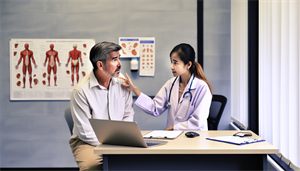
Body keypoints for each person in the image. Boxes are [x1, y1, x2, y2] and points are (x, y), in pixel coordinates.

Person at [69, 42, 134, 171]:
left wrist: (121, 141)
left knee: (138, 162)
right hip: (88, 142)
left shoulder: (123, 83)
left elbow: (128, 115)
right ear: (100, 65)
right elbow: (86, 133)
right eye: (114, 59)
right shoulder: (81, 91)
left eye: (119, 58)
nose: (120, 64)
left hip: (118, 139)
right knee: (92, 167)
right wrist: (111, 147)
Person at [121, 43, 212, 131]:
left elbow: (197, 121)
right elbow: (155, 108)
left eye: (175, 63)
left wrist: (174, 128)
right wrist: (134, 89)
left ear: (188, 65)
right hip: (174, 139)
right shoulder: (170, 84)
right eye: (171, 61)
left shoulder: (202, 88)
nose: (171, 66)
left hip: (195, 139)